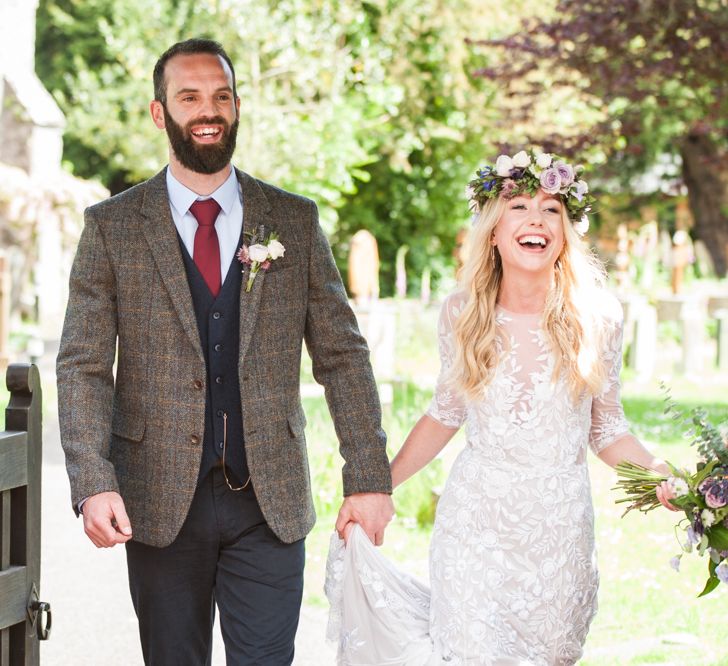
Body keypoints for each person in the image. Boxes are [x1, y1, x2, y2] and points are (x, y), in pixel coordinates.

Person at [56, 38, 394, 665]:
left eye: (221, 96)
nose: (208, 110)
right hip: (157, 501)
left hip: (268, 502)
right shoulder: (113, 227)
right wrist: (92, 480)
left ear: (237, 107)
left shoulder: (292, 220)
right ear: (161, 113)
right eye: (189, 97)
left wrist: (368, 475)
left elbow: (343, 356)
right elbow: (81, 364)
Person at [325, 149, 673, 666]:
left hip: (559, 533)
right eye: (520, 208)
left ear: (565, 232)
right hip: (474, 528)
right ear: (492, 232)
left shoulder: (599, 316)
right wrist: (377, 487)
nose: (536, 219)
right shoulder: (464, 313)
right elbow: (445, 412)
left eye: (551, 209)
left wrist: (659, 471)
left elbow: (607, 429)